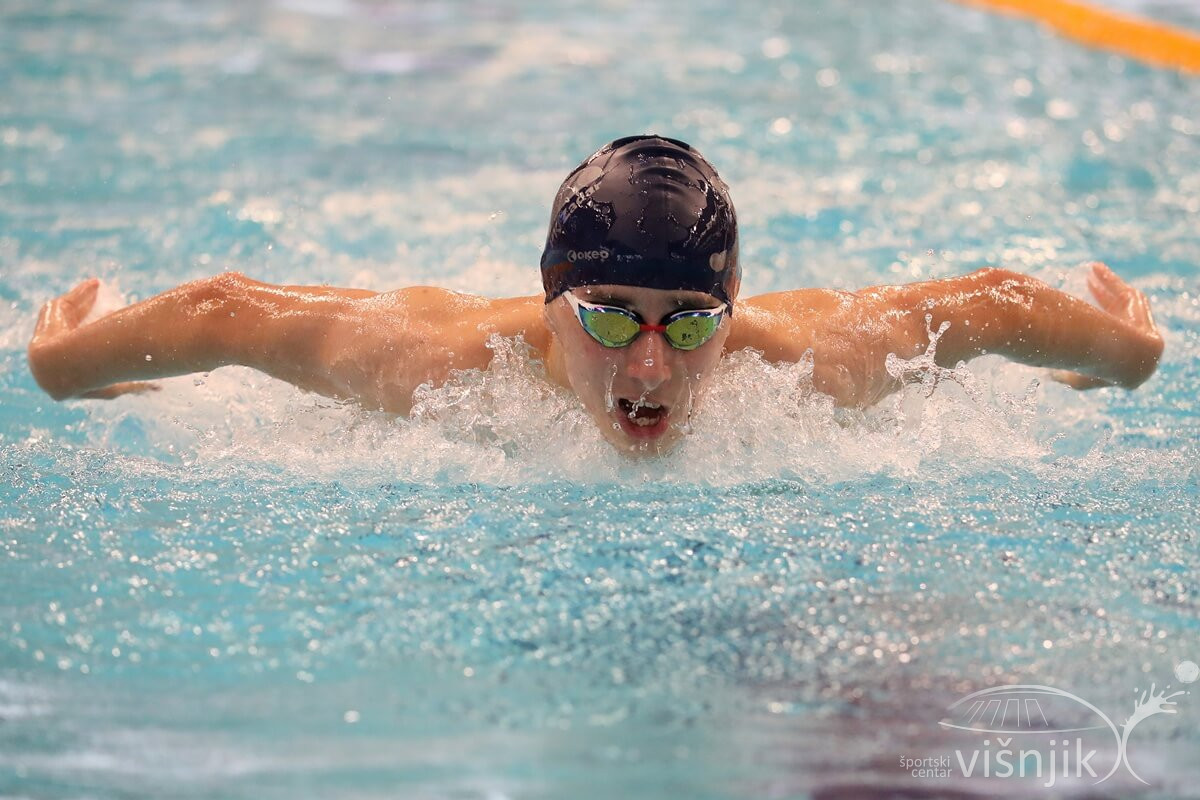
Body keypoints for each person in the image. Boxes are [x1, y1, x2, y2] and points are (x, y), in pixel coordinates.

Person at [27, 135, 1164, 454]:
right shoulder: (437, 370)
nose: (650, 366)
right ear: (551, 305)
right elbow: (227, 311)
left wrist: (1122, 360)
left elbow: (997, 301)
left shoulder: (810, 361)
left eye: (693, 323)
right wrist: (61, 368)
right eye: (611, 316)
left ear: (734, 309)